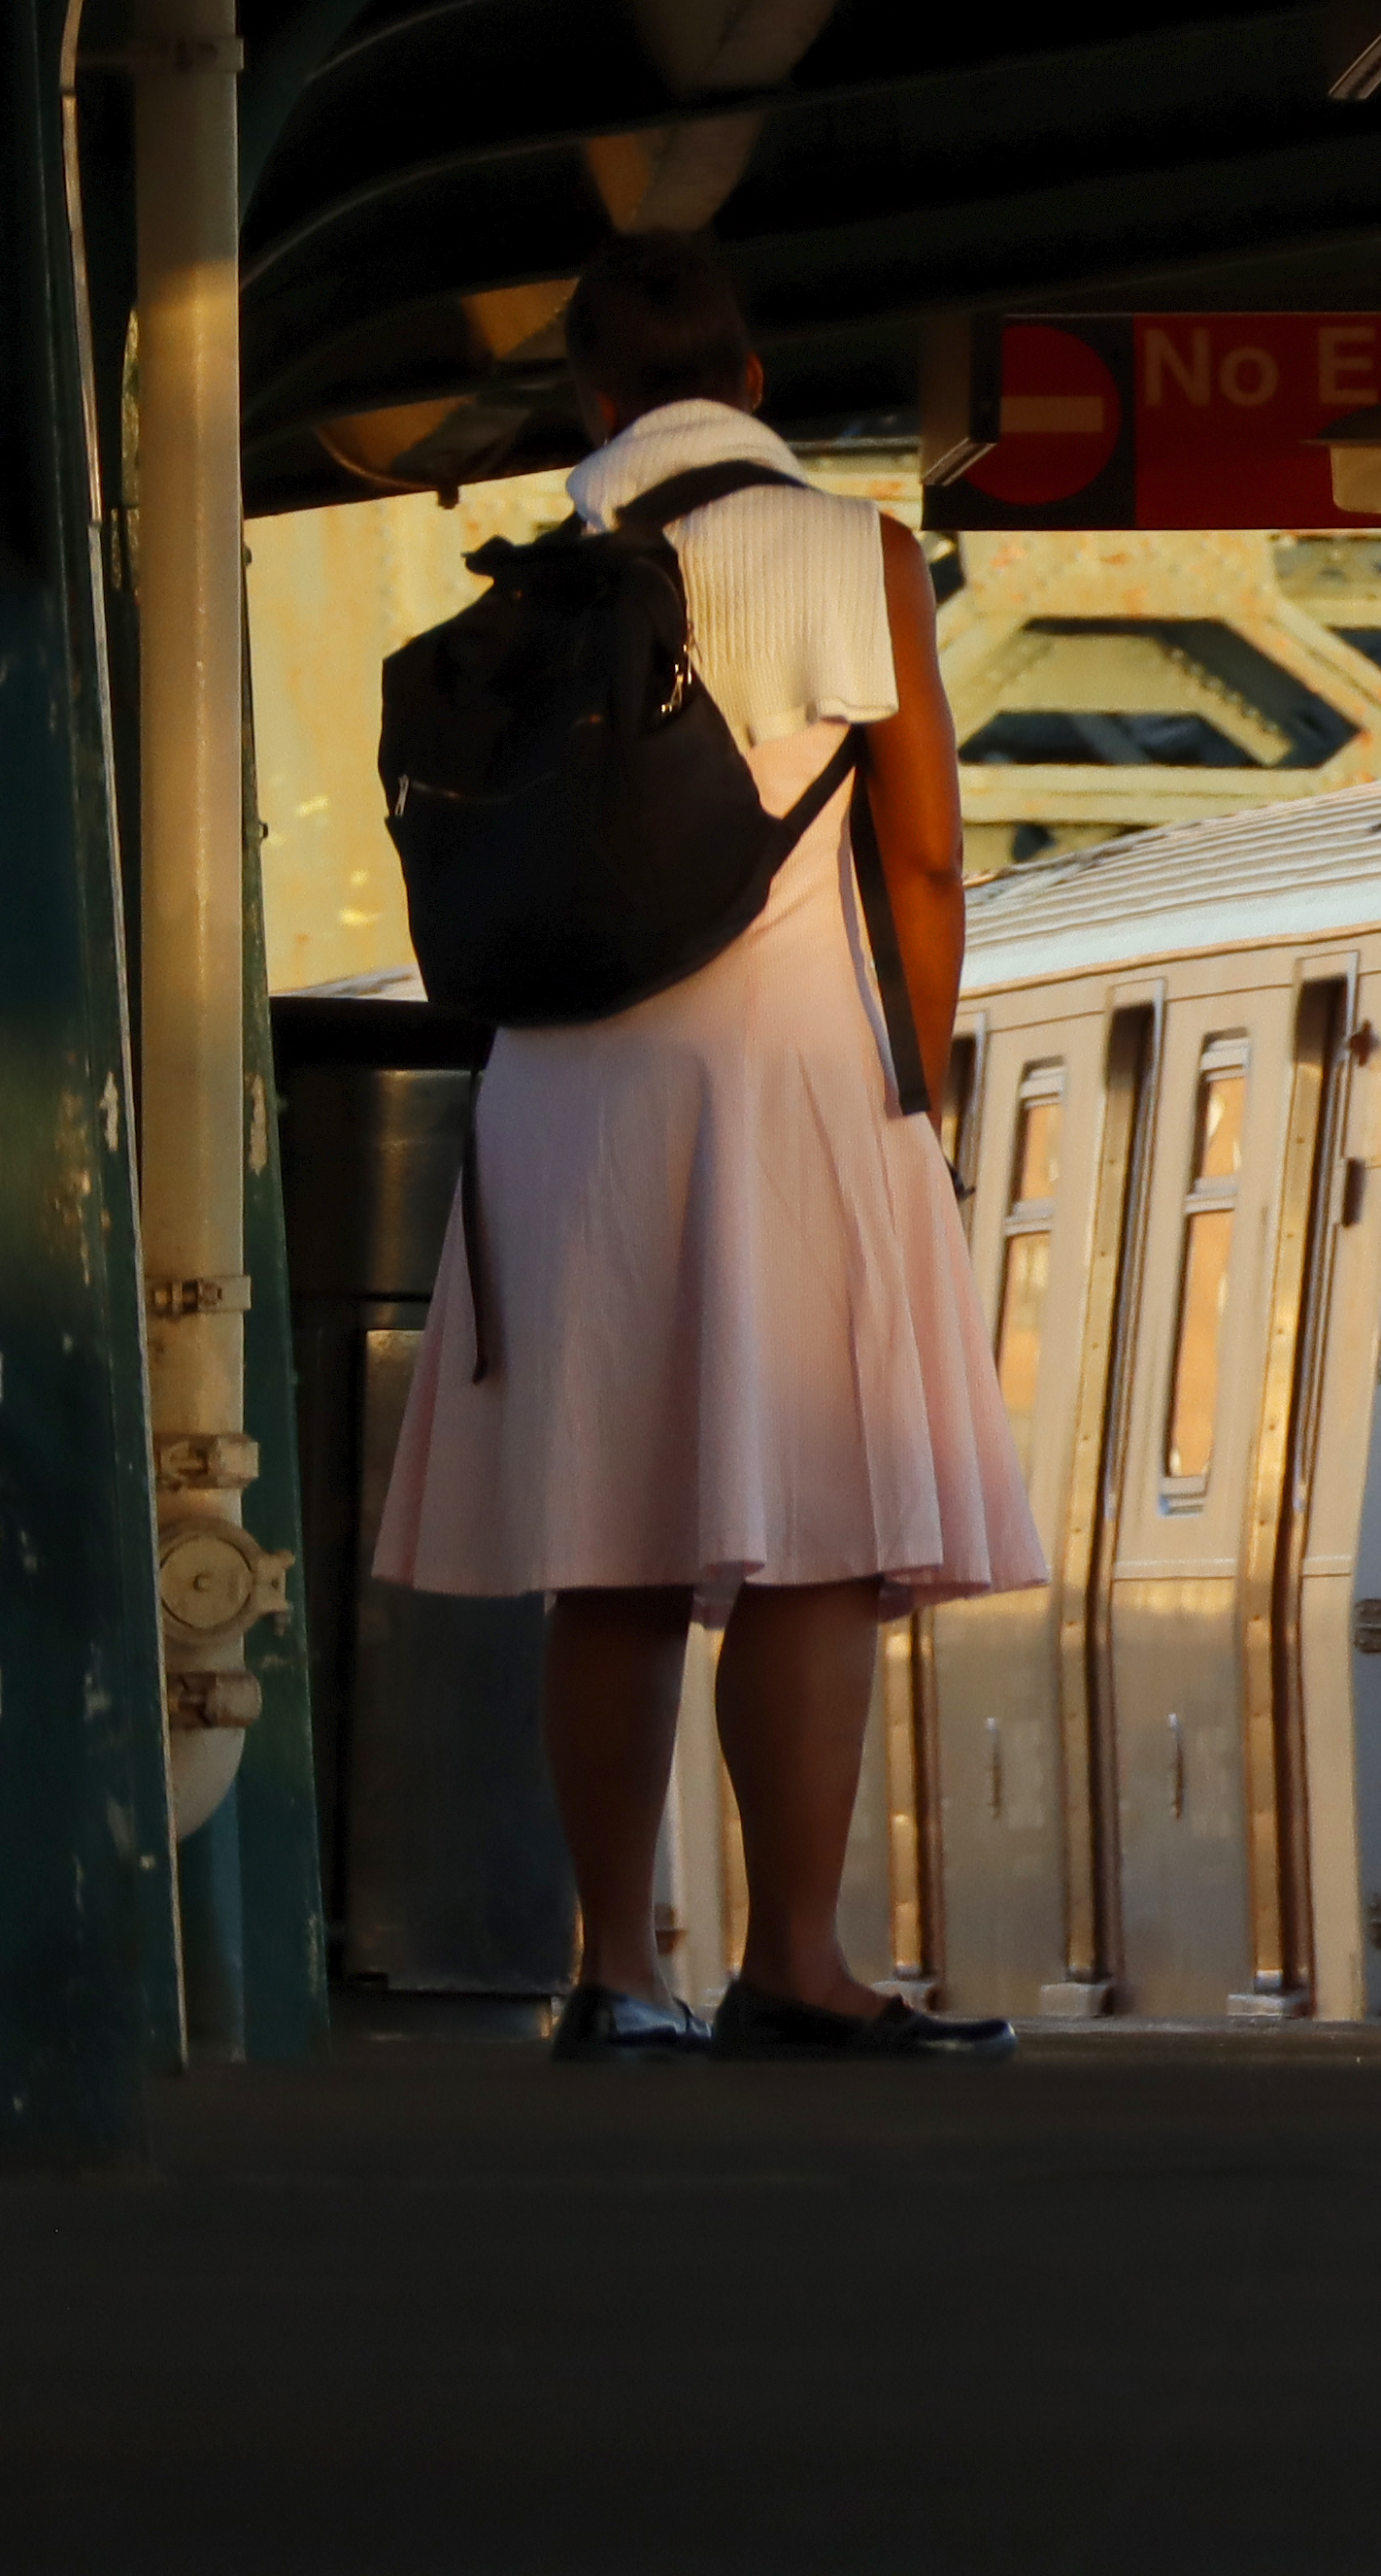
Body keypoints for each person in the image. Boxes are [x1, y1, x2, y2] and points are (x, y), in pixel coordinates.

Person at [373, 231, 1034, 2062]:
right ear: (752, 377)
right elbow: (914, 853)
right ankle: (799, 1957)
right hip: (797, 1078)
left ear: (591, 396)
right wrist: (926, 1083)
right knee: (815, 1539)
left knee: (613, 1548)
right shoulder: (855, 553)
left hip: (567, 1091)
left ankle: (615, 1965)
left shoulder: (543, 567)